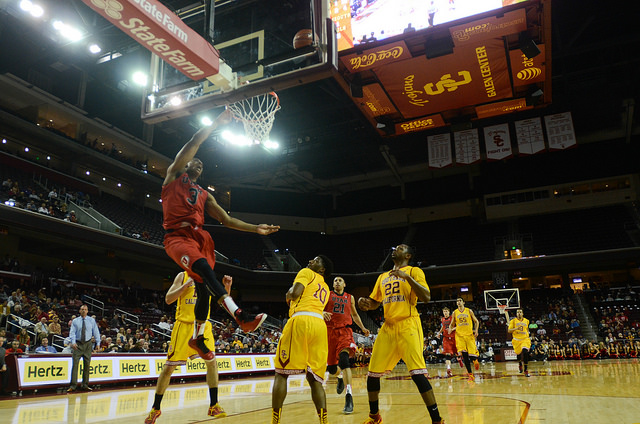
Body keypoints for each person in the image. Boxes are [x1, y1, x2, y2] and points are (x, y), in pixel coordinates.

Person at [161, 109, 279, 362]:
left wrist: (255, 228)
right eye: (196, 161)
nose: (199, 163)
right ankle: (240, 316)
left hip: (199, 238)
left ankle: (198, 338)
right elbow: (194, 142)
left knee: (204, 288)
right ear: (186, 164)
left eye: (202, 164)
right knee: (204, 270)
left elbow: (227, 220)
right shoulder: (173, 176)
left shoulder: (204, 194)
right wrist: (216, 123)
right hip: (177, 236)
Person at [358, 244, 444, 424]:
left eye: (401, 247)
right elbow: (375, 302)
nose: (395, 248)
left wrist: (407, 277)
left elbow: (426, 296)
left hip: (408, 325)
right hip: (388, 326)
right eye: (395, 247)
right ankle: (374, 417)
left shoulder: (414, 271)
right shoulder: (383, 276)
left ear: (408, 255)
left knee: (418, 375)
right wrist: (366, 303)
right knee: (372, 375)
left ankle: (437, 420)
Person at [145, 271, 230, 424]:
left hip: (203, 326)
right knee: (169, 368)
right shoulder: (182, 276)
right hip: (183, 326)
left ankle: (214, 404)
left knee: (212, 363)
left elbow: (222, 304)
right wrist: (185, 286)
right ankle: (155, 408)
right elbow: (169, 299)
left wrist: (227, 287)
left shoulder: (208, 276)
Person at [271, 255, 334, 424]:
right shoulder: (326, 288)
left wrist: (288, 293)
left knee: (281, 373)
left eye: (315, 260)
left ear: (322, 269)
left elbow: (294, 293)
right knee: (315, 380)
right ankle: (323, 421)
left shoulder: (306, 272)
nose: (309, 261)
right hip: (319, 326)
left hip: (301, 321)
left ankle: (275, 421)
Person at [323, 276, 370, 414]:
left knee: (344, 361)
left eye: (340, 280)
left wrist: (363, 328)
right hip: (329, 332)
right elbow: (317, 307)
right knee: (332, 368)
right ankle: (339, 377)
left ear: (344, 284)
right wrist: (321, 312)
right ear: (333, 285)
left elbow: (354, 315)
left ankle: (349, 396)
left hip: (344, 331)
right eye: (335, 281)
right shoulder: (327, 295)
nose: (337, 282)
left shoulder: (350, 297)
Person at [68, 304, 100, 392]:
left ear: (87, 311)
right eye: (82, 309)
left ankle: (85, 385)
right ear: (79, 311)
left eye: (85, 309)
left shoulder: (91, 320)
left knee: (87, 365)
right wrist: (73, 342)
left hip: (88, 344)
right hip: (78, 344)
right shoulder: (75, 321)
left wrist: (98, 342)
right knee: (75, 365)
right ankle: (73, 385)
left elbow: (96, 332)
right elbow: (72, 333)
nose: (83, 311)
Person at [448, 298, 480, 382]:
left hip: (469, 335)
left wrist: (476, 330)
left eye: (460, 301)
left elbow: (476, 321)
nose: (458, 302)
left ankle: (475, 360)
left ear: (463, 302)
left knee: (472, 354)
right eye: (457, 301)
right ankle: (470, 375)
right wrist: (450, 329)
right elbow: (452, 324)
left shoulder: (469, 311)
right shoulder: (455, 312)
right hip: (460, 336)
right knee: (464, 356)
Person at [504, 308, 531, 377]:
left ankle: (526, 370)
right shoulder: (513, 321)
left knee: (525, 352)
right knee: (518, 354)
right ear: (516, 314)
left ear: (522, 313)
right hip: (516, 340)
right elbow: (509, 330)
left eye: (520, 312)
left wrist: (527, 334)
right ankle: (520, 364)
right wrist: (516, 329)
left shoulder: (527, 321)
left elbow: (527, 329)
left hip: (525, 339)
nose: (519, 313)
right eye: (518, 312)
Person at [435, 306, 459, 377]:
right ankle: (449, 369)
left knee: (458, 353)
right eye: (444, 312)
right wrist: (439, 333)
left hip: (453, 337)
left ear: (449, 312)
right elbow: (443, 327)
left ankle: (459, 359)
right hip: (446, 338)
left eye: (446, 311)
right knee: (447, 354)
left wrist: (452, 329)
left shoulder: (452, 318)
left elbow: (458, 326)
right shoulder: (442, 319)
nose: (445, 313)